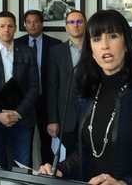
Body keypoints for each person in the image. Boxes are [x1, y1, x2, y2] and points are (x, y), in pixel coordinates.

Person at [40, 10, 132, 184]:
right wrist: (59, 169)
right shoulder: (85, 93)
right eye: (96, 39)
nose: (105, 45)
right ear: (91, 50)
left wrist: (124, 184)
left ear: (126, 43)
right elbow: (86, 151)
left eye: (112, 36)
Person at [0, 11, 39, 174]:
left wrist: (18, 113)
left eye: (10, 26)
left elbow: (34, 87)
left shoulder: (27, 52)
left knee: (23, 166)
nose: (6, 30)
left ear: (16, 28)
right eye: (2, 26)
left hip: (22, 120)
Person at [15, 10, 62, 165]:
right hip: (24, 101)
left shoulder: (55, 44)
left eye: (36, 21)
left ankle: (47, 176)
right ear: (24, 25)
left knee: (47, 141)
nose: (32, 25)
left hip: (46, 99)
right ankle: (25, 177)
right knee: (23, 142)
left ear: (42, 23)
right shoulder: (17, 44)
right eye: (28, 22)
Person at [47, 10, 87, 157]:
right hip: (66, 118)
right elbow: (52, 88)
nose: (75, 25)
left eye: (79, 21)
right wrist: (53, 120)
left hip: (91, 116)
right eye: (71, 22)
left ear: (85, 25)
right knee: (69, 162)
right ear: (66, 27)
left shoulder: (95, 50)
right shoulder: (56, 52)